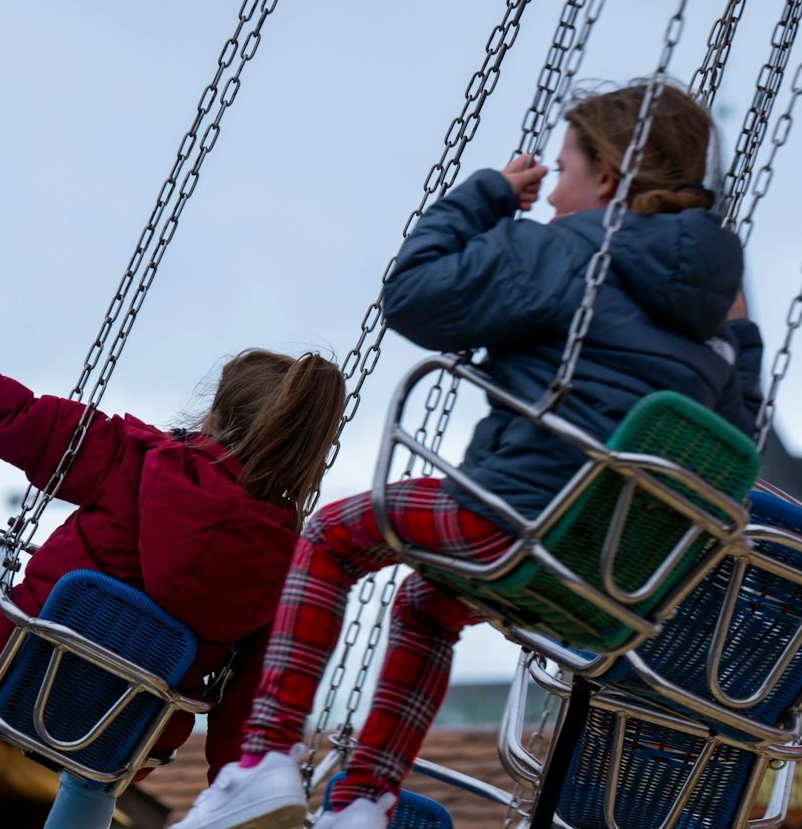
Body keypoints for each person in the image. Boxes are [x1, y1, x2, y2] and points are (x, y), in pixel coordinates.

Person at [180, 79, 762, 829]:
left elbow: (413, 296)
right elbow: (738, 442)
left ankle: (262, 762)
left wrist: (488, 195)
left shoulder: (568, 250)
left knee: (330, 535)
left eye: (561, 173)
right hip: (615, 572)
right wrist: (742, 341)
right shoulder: (713, 316)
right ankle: (361, 804)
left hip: (517, 519)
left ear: (608, 179)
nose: (550, 196)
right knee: (426, 602)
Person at [0, 290, 348, 829]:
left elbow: (10, 414)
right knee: (100, 772)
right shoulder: (285, 570)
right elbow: (248, 694)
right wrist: (236, 783)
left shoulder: (125, 453)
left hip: (23, 660)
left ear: (215, 416)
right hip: (127, 722)